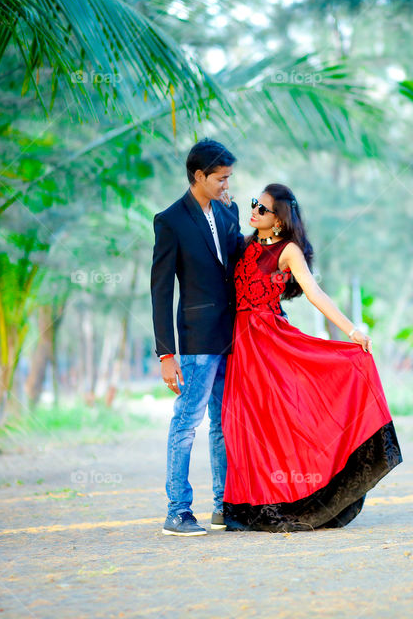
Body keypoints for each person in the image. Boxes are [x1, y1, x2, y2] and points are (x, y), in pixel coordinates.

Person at [222, 183, 402, 532]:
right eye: (254, 204)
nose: (255, 210)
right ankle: (245, 505)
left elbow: (314, 292)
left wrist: (352, 331)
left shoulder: (288, 252)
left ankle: (297, 497)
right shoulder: (244, 245)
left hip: (269, 341)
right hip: (241, 344)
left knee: (281, 420)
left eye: (263, 208)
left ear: (278, 220)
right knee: (243, 423)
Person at [150, 139, 244, 536]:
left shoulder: (230, 211)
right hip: (194, 341)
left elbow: (238, 265)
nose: (227, 185)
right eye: (221, 179)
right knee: (187, 422)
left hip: (231, 337)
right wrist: (165, 352)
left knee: (223, 423)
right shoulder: (170, 220)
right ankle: (178, 511)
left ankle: (222, 507)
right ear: (199, 176)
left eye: (229, 179)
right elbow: (160, 289)